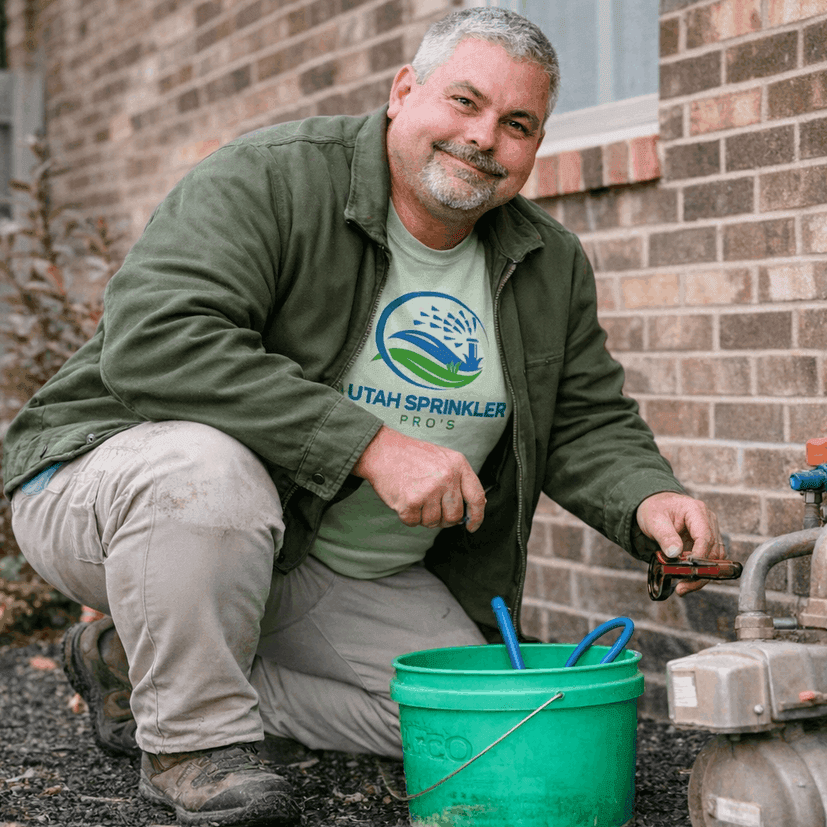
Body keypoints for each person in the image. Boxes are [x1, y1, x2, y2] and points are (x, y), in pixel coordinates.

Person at [3, 7, 723, 827]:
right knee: (205, 470)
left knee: (472, 720)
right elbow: (157, 342)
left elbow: (584, 416)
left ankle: (147, 667)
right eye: (464, 101)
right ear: (403, 90)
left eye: (517, 123)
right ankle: (194, 744)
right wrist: (369, 445)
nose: (485, 137)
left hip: (325, 562)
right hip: (105, 491)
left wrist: (645, 501)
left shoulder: (545, 261)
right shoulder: (273, 179)